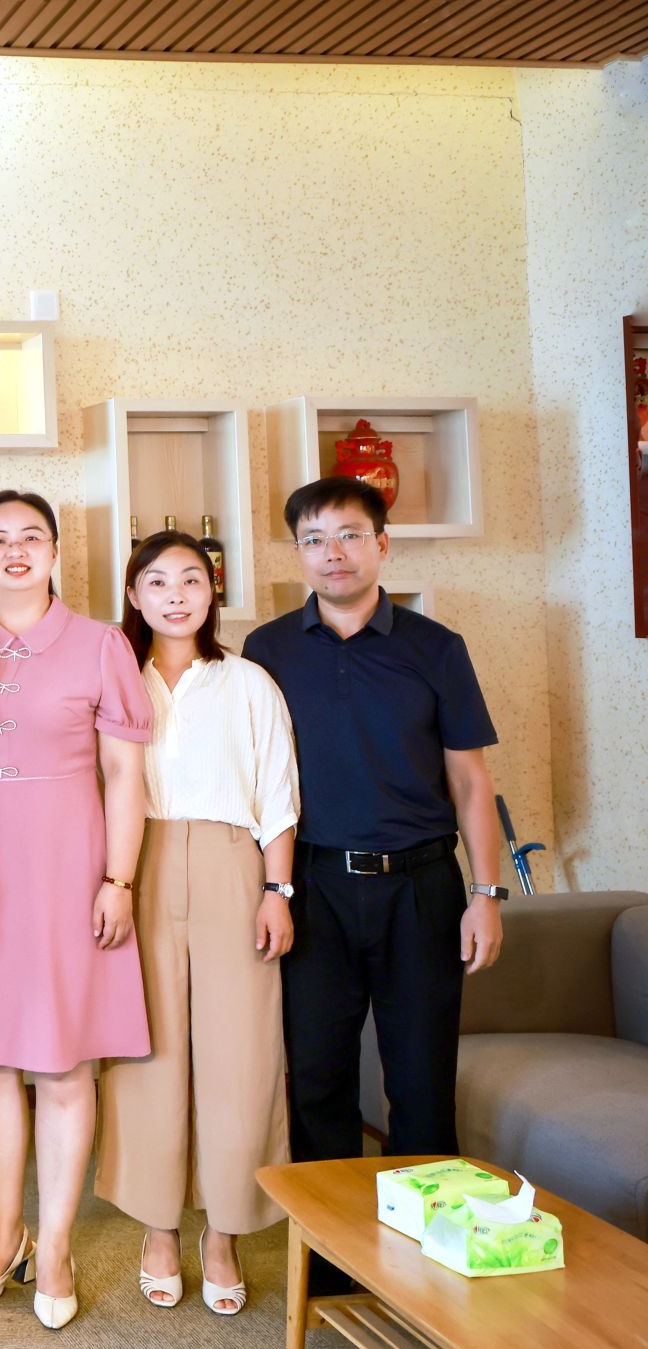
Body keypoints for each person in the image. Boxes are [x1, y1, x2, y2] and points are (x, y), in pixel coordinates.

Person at [243, 478, 505, 1292]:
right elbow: (255, 783)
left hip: (421, 887)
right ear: (298, 553)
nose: (334, 553)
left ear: (382, 545)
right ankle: (331, 1259)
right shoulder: (267, 652)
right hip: (314, 886)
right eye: (315, 539)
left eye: (351, 535)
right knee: (317, 1079)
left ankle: (424, 1257)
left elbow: (470, 782)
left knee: (420, 1081)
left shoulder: (437, 647)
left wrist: (487, 895)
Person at [0, 489, 151, 1333]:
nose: (15, 550)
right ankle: (2, 1237)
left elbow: (124, 776)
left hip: (70, 870)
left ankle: (54, 1248)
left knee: (63, 1067)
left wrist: (118, 880)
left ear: (55, 551)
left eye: (32, 536)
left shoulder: (101, 645)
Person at [95, 530, 299, 1317]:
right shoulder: (115, 679)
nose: (175, 594)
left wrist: (277, 889)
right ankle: (158, 1228)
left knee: (241, 1053)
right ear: (133, 594)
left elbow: (278, 793)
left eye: (191, 579)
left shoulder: (248, 682)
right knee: (146, 1050)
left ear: (212, 591)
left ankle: (223, 1234)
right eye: (157, 581)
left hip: (231, 863)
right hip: (136, 862)